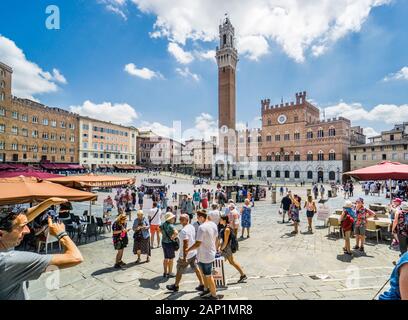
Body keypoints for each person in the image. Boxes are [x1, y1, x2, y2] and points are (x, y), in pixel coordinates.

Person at [0, 198, 84, 300]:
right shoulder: (10, 261)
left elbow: (23, 218)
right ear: (1, 233)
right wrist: (61, 233)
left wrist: (49, 202)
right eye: (22, 227)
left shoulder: (5, 239)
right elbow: (75, 258)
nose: (27, 230)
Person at [187, 210, 222, 300]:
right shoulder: (213, 224)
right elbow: (217, 238)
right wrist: (216, 248)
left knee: (208, 276)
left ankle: (214, 295)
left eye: (198, 217)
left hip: (205, 255)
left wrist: (188, 249)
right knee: (204, 274)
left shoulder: (201, 227)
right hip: (209, 253)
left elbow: (198, 243)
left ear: (202, 217)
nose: (197, 219)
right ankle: (207, 290)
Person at [166, 214, 204, 292]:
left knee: (179, 270)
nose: (180, 221)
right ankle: (202, 284)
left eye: (181, 219)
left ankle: (176, 286)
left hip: (186, 255)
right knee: (196, 269)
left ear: (186, 220)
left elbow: (185, 244)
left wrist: (184, 257)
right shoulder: (191, 226)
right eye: (180, 219)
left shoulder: (183, 231)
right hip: (193, 253)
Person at [218, 215, 247, 283]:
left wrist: (221, 249)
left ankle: (216, 279)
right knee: (231, 262)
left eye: (220, 219)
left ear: (224, 220)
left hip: (226, 248)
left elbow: (225, 241)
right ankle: (243, 275)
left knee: (219, 262)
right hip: (226, 247)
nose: (219, 221)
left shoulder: (227, 229)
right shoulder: (225, 227)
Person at [160, 212, 178, 278]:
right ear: (170, 219)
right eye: (173, 218)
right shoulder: (171, 225)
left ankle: (165, 272)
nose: (174, 219)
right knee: (171, 259)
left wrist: (164, 235)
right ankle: (170, 272)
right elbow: (176, 232)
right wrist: (173, 237)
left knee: (165, 258)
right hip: (169, 243)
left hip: (164, 242)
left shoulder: (163, 224)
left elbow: (160, 230)